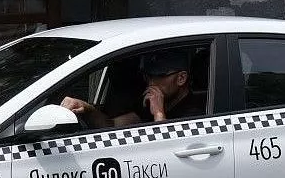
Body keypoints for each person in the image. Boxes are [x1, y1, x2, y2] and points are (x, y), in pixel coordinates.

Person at [61, 49, 206, 128]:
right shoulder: (150, 104)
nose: (150, 82)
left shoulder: (197, 111)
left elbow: (170, 150)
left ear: (181, 78)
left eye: (158, 76)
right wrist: (87, 108)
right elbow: (111, 125)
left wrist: (159, 114)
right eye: (148, 76)